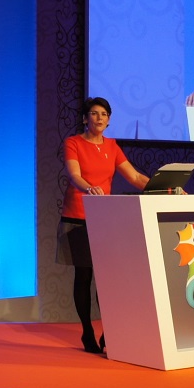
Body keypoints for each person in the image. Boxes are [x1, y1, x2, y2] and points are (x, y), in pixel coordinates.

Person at [57, 96, 150, 353]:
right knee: (84, 275)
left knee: (108, 279)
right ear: (86, 118)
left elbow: (134, 176)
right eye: (94, 113)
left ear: (109, 121)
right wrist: (90, 188)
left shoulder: (112, 146)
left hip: (105, 219)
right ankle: (87, 331)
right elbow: (74, 175)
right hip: (78, 216)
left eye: (104, 114)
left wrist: (164, 188)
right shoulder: (73, 142)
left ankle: (109, 332)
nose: (99, 118)